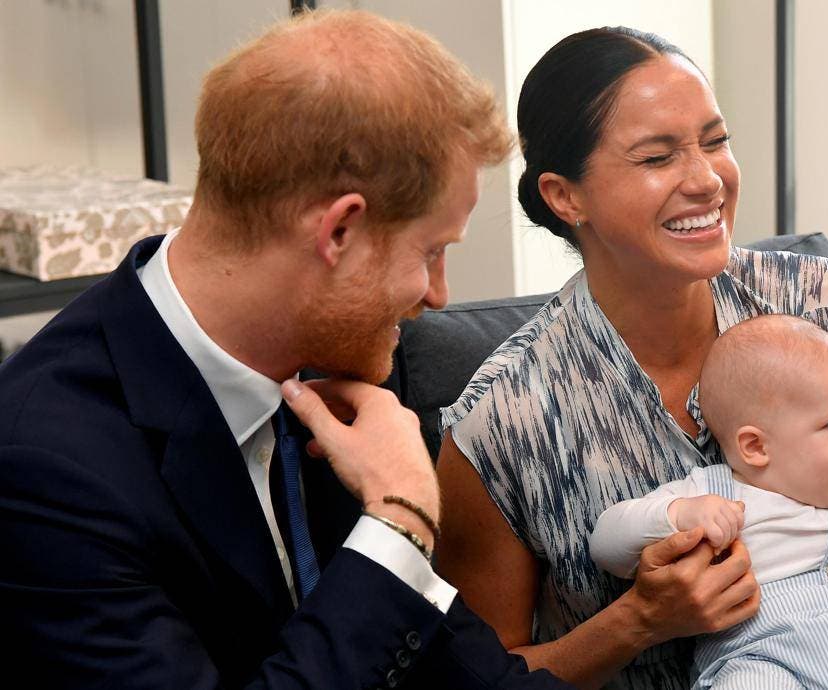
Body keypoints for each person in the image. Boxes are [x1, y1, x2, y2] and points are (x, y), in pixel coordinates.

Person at [434, 26, 828, 690]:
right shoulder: (503, 422)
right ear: (566, 196)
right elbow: (477, 679)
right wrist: (640, 620)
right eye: (656, 157)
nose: (707, 180)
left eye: (716, 140)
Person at [0, 10, 569, 689]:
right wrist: (398, 524)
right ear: (340, 232)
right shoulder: (44, 467)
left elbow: (473, 676)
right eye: (433, 252)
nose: (438, 295)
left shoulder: (338, 362)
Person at [590, 314, 828, 690]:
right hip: (762, 655)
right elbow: (606, 543)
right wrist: (677, 514)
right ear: (756, 446)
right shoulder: (707, 494)